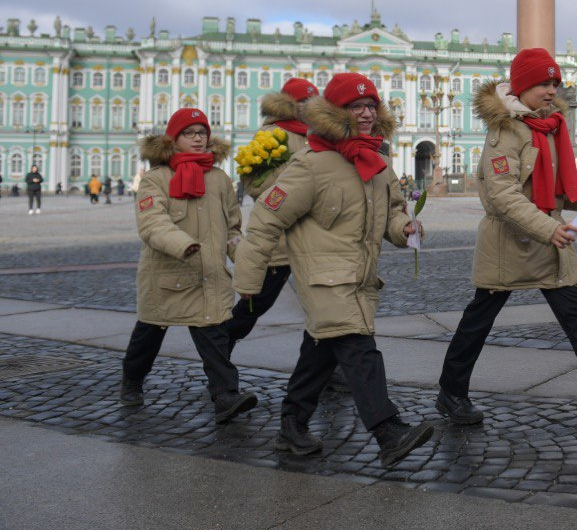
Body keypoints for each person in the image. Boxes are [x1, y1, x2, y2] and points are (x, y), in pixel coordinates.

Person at [436, 49, 577, 435]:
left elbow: (559, 190)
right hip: (508, 244)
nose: (551, 90)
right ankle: (451, 392)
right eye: (543, 83)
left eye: (554, 83)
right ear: (523, 86)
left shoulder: (551, 127)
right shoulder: (505, 131)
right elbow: (503, 195)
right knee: (478, 322)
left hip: (547, 241)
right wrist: (547, 228)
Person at [232, 73, 434, 468]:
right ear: (335, 113)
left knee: (321, 349)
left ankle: (292, 424)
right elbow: (266, 220)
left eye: (371, 106)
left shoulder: (376, 161)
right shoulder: (311, 165)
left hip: (359, 273)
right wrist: (249, 282)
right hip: (322, 276)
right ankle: (388, 431)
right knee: (358, 347)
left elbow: (392, 211)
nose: (366, 114)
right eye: (356, 107)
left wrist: (404, 227)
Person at [120, 108, 257, 424]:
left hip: (208, 275)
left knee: (214, 337)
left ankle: (225, 396)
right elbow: (152, 222)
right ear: (174, 138)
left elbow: (233, 228)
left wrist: (246, 259)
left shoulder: (220, 179)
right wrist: (182, 244)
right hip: (166, 275)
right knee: (149, 336)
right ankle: (132, 380)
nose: (198, 138)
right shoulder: (156, 179)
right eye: (189, 133)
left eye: (202, 132)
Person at [225, 78, 318, 349]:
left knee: (322, 309)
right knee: (254, 307)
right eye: (303, 102)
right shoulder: (272, 134)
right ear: (288, 104)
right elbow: (254, 183)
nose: (309, 108)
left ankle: (325, 374)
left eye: (313, 102)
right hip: (279, 242)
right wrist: (297, 189)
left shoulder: (317, 135)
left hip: (312, 240)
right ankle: (219, 348)